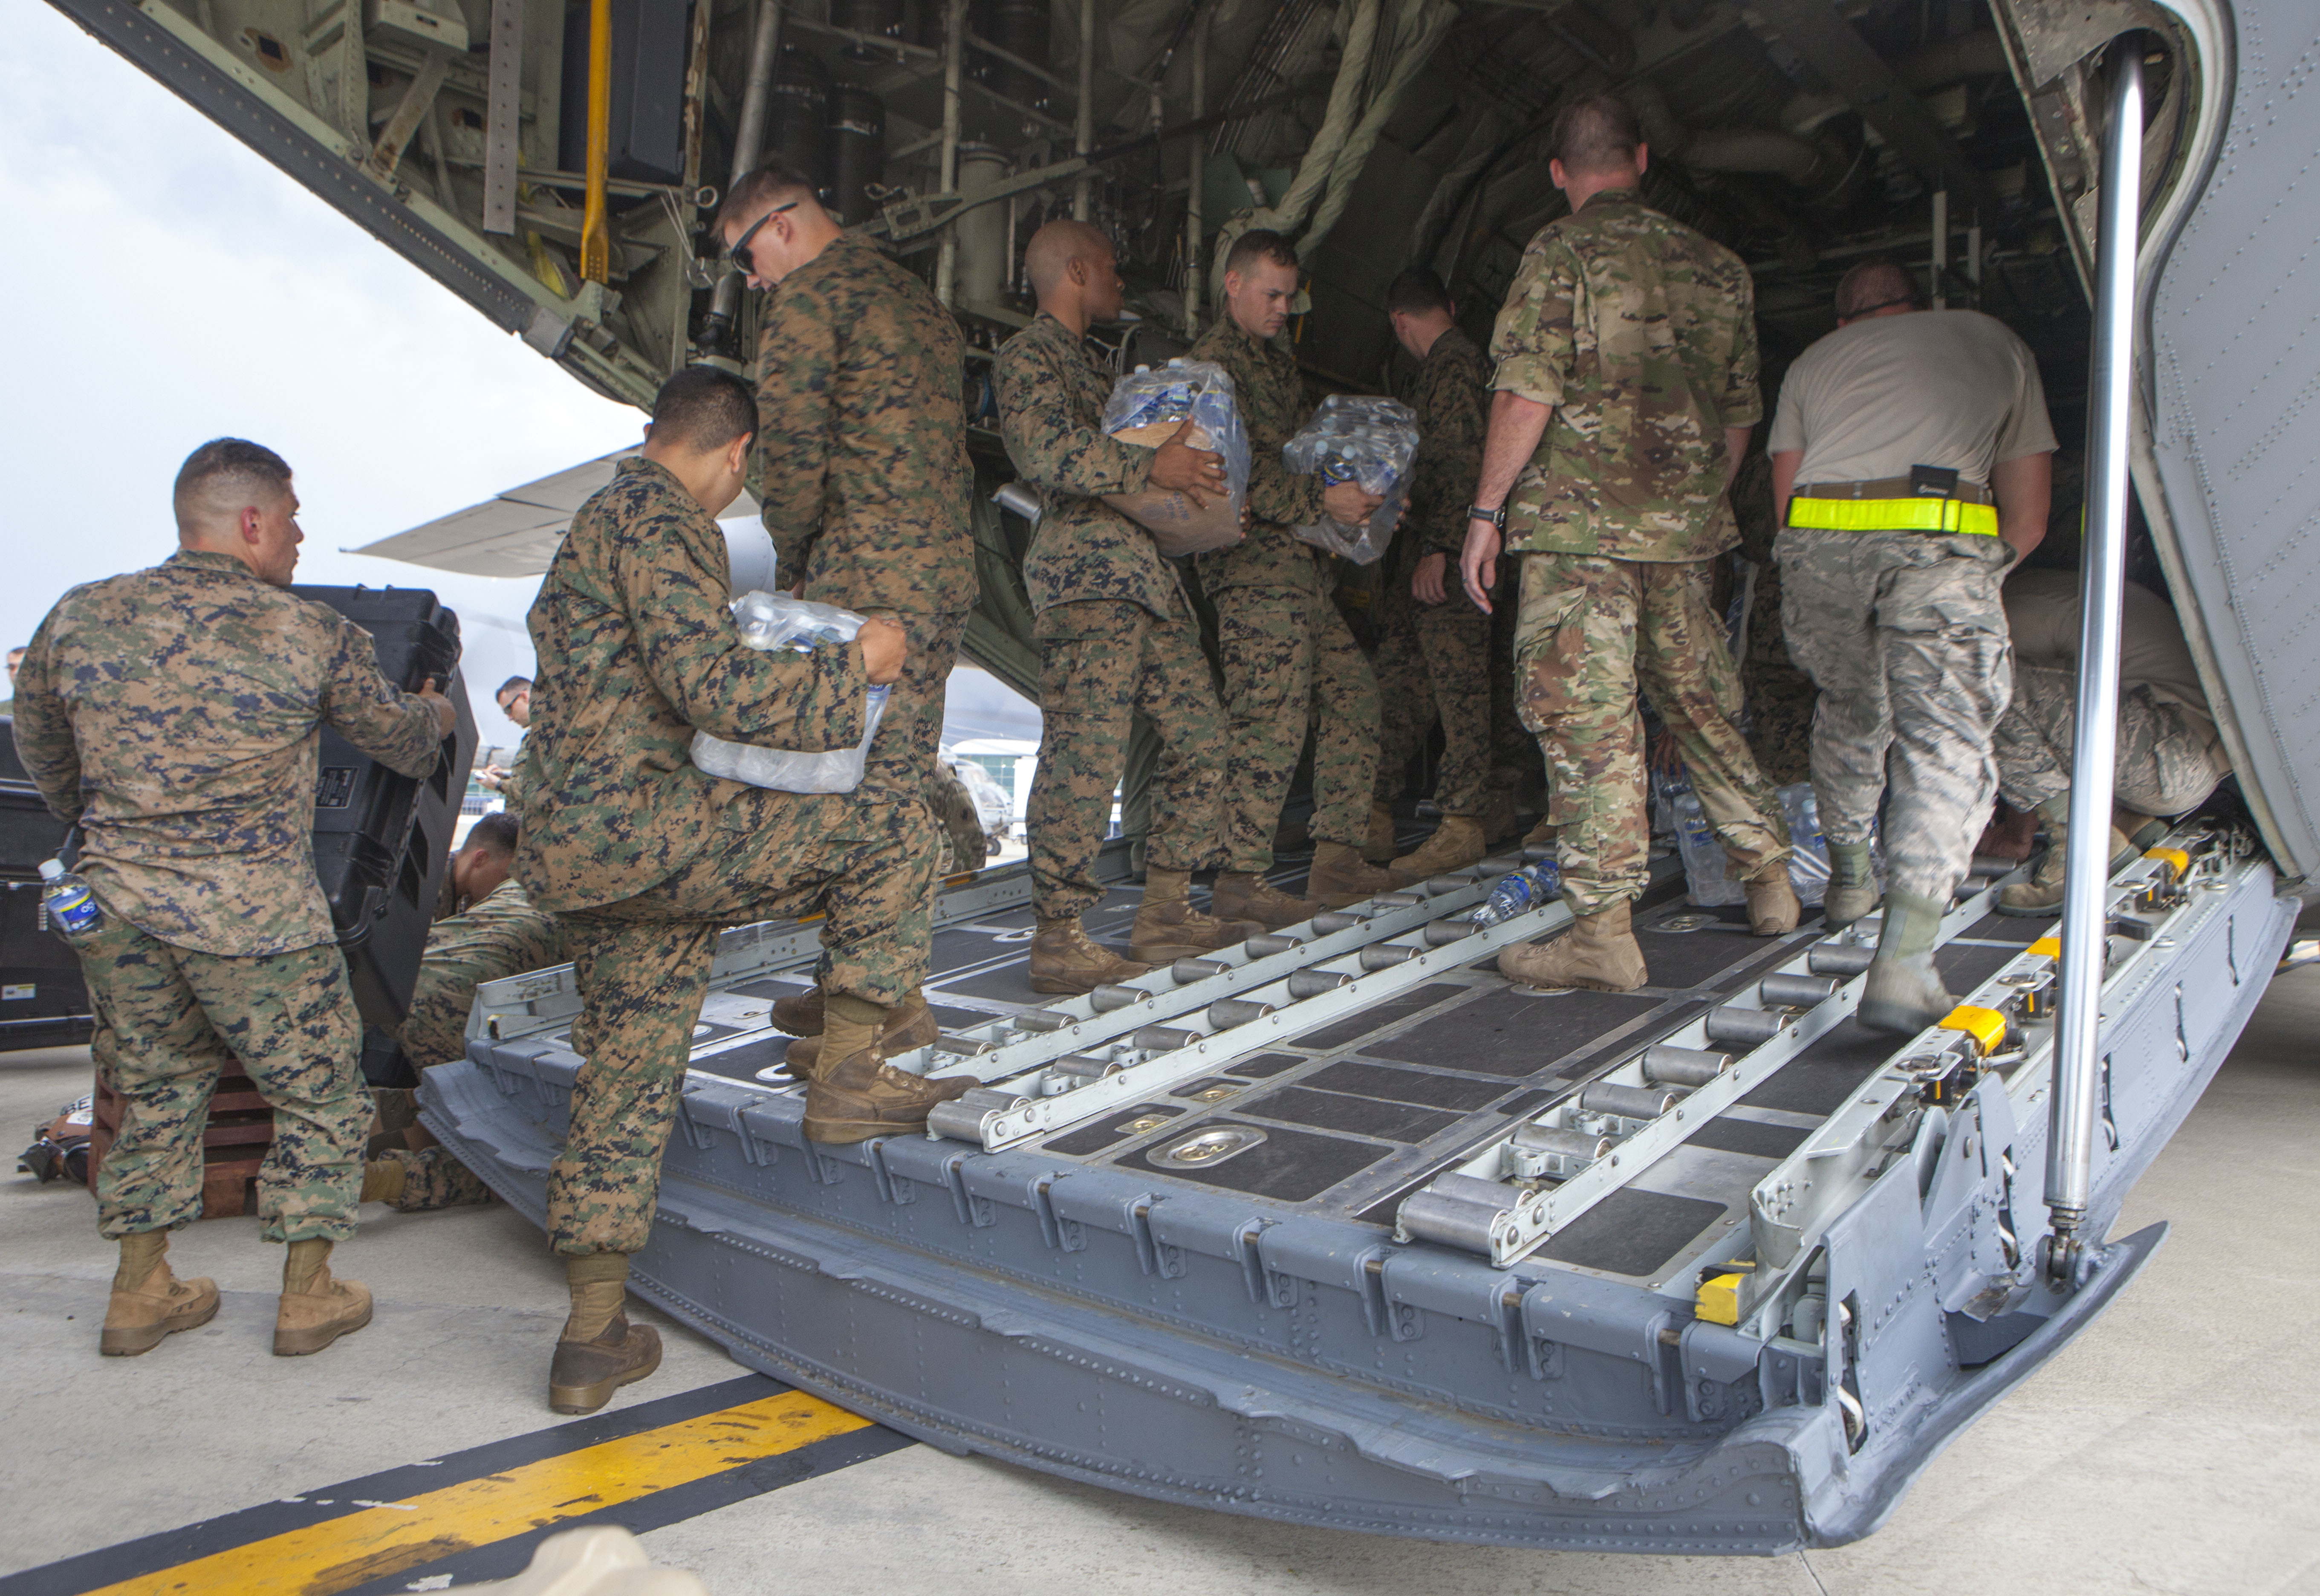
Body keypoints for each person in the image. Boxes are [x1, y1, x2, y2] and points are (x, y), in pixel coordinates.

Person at [517, 366, 967, 1415]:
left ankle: (592, 1332)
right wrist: (857, 661)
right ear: (735, 454)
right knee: (893, 820)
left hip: (597, 852)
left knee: (627, 1068)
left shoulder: (598, 521)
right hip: (644, 828)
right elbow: (708, 684)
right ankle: (851, 1066)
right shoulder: (660, 518)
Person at [12, 438, 454, 1359]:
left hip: (118, 909)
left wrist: (106, 827)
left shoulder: (81, 615)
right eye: (292, 518)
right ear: (252, 522)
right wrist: (437, 715)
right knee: (322, 1095)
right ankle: (307, 1292)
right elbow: (401, 745)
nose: (299, 537)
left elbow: (44, 747)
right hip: (253, 916)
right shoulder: (308, 631)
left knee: (156, 1086)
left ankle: (140, 1291)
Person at [1460, 92, 1798, 994]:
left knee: (1591, 721)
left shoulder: (1558, 251)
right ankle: (1769, 879)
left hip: (1580, 535)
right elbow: (1737, 418)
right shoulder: (1721, 269)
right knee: (1700, 703)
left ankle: (1603, 933)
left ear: (1560, 173)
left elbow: (1526, 389)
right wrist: (1689, 506)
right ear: (1643, 159)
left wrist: (1486, 514)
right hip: (1683, 535)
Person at [720, 155, 977, 1029]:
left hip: (867, 578)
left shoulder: (807, 301)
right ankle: (868, 985)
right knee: (897, 784)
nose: (753, 280)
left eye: (748, 257)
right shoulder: (920, 304)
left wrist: (794, 562)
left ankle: (866, 1019)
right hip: (941, 575)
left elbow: (791, 456)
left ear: (782, 224)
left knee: (856, 792)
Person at [1769, 256, 2057, 1030]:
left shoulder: (1810, 362)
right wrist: (1960, 594)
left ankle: (1849, 879)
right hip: (1937, 541)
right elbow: (2026, 519)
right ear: (1919, 306)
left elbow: (1787, 501)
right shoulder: (1993, 341)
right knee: (1942, 734)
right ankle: (1902, 958)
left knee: (1851, 705)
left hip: (1820, 553)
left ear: (1842, 321)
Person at [995, 219, 1260, 992]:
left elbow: (1143, 490)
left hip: (1143, 576)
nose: (1119, 282)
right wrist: (1158, 461)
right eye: (1110, 268)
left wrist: (1203, 509)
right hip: (1086, 581)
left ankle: (1168, 906)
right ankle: (1058, 934)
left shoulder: (1096, 366)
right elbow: (1046, 454)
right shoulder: (1029, 358)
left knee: (1201, 735)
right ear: (1076, 271)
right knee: (1087, 752)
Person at [1187, 230, 1401, 923]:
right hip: (1249, 569)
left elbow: (1295, 456)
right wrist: (1321, 502)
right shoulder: (1211, 369)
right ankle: (1238, 877)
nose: (1284, 307)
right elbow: (1229, 476)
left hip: (1297, 565)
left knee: (1353, 693)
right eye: (1271, 294)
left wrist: (1348, 486)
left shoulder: (1275, 367)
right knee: (1269, 717)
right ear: (1233, 285)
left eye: (1290, 295)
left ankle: (1334, 862)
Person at [1366, 268, 1506, 879]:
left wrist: (1442, 548)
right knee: (1402, 679)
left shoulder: (1452, 366)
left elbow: (1459, 461)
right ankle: (1369, 808)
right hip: (1433, 551)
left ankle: (1462, 821)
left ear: (1398, 321)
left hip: (1448, 556)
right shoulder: (1452, 365)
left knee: (1459, 687)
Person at [1990, 569, 2228, 915]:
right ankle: (2124, 822)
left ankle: (2079, 847)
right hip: (2187, 761)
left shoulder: (2005, 612)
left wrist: (2015, 835)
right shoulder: (2056, 587)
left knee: (1977, 683)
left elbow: (2004, 705)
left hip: (2168, 760)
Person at [362, 812, 563, 1214]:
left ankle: (358, 1142)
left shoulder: (442, 878)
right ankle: (389, 1179)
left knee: (447, 1103)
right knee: (495, 1145)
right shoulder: (554, 890)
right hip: (448, 1004)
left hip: (394, 982)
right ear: (480, 859)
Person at [477, 675, 532, 802]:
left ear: (524, 697)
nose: (510, 718)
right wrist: (504, 778)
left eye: (509, 709)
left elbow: (539, 790)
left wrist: (499, 784)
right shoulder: (535, 735)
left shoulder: (548, 734)